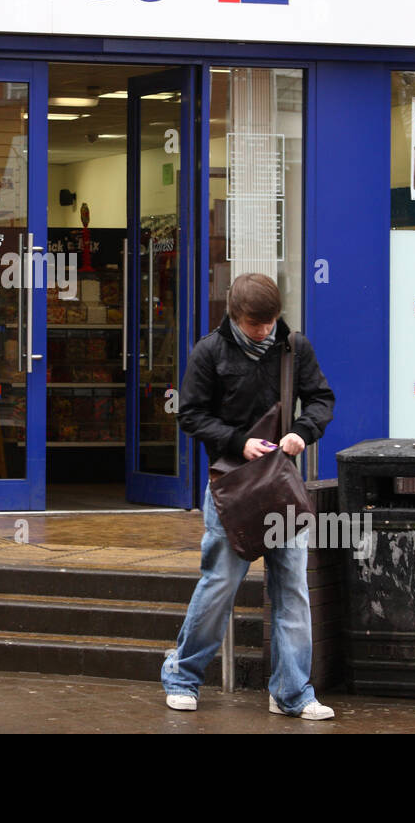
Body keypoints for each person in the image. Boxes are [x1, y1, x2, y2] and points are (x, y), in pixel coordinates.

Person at [162, 273, 336, 718]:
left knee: (292, 588)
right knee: (219, 584)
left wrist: (302, 431)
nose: (263, 332)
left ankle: (293, 692)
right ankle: (182, 676)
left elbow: (321, 399)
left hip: (280, 485)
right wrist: (239, 441)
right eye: (254, 325)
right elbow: (190, 414)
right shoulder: (210, 350)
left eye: (270, 323)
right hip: (231, 486)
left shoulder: (295, 347)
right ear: (235, 316)